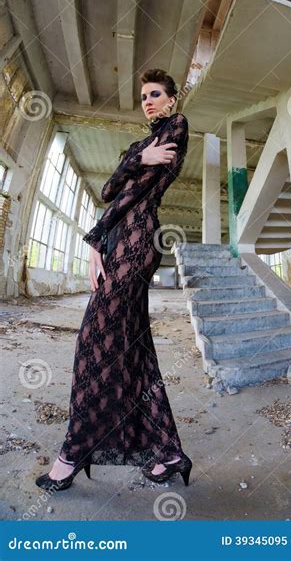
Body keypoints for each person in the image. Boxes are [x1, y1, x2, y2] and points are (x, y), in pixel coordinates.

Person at [36, 69, 192, 491]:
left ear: (171, 100)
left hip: (138, 242)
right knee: (134, 349)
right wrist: (137, 160)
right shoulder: (140, 147)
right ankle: (169, 454)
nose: (148, 101)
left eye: (156, 94)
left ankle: (71, 454)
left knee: (93, 342)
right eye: (143, 96)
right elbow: (108, 190)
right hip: (116, 241)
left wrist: (95, 234)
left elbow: (133, 193)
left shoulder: (177, 126)